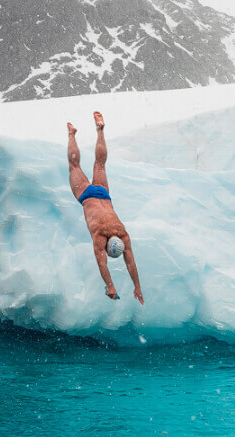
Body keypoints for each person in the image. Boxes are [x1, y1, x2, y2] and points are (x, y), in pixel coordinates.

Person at [67, 112, 144, 304]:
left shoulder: (123, 234)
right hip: (86, 196)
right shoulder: (100, 235)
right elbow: (103, 265)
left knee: (100, 164)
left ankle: (100, 130)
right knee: (74, 166)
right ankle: (71, 134)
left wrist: (137, 286)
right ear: (108, 247)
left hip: (103, 194)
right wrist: (110, 286)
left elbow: (131, 262)